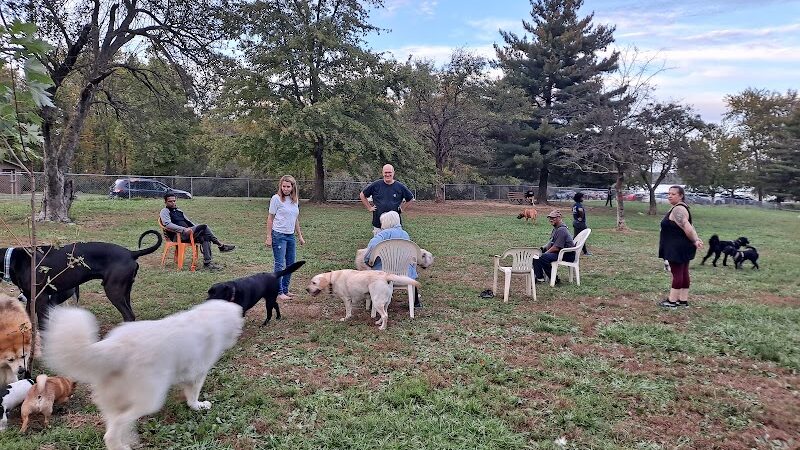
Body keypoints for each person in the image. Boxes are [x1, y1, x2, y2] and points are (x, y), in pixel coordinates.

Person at [160, 193, 235, 270]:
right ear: (165, 202)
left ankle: (207, 263)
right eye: (170, 201)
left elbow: (189, 222)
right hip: (178, 236)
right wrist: (183, 229)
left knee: (205, 237)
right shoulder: (165, 211)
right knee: (204, 227)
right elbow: (167, 224)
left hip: (189, 234)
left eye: (174, 201)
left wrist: (196, 229)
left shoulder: (179, 211)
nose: (173, 203)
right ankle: (221, 246)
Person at [363, 211, 422, 308]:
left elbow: (371, 248)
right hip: (404, 273)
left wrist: (368, 261)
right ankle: (416, 302)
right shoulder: (405, 235)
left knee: (370, 272)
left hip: (384, 273)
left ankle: (373, 302)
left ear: (385, 222)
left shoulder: (382, 235)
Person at [658, 185, 703, 308]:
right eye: (669, 193)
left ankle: (672, 301)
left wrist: (695, 240)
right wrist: (696, 239)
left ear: (681, 196)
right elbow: (690, 226)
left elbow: (687, 227)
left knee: (677, 273)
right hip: (682, 246)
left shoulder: (678, 209)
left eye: (673, 194)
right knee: (683, 272)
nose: (669, 196)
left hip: (677, 247)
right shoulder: (682, 208)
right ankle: (683, 301)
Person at [266, 175, 305, 301]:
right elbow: (270, 218)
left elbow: (295, 219)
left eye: (288, 186)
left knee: (291, 264)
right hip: (278, 235)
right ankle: (279, 291)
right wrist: (269, 236)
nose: (286, 189)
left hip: (290, 236)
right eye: (284, 186)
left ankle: (286, 289)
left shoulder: (295, 200)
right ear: (280, 186)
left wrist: (299, 236)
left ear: (293, 187)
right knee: (279, 264)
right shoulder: (276, 199)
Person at [359, 164, 414, 235]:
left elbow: (410, 198)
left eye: (389, 172)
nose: (387, 174)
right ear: (382, 173)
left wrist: (402, 208)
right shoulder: (376, 185)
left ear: (393, 173)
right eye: (385, 172)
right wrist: (369, 208)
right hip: (378, 224)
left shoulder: (400, 187)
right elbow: (362, 195)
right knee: (379, 245)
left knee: (395, 244)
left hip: (395, 225)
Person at [533, 210, 575, 284]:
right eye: (550, 218)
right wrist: (541, 249)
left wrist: (544, 253)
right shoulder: (556, 228)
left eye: (553, 218)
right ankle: (539, 277)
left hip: (567, 254)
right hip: (559, 252)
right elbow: (550, 242)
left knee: (543, 257)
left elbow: (556, 247)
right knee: (536, 255)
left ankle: (555, 279)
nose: (551, 220)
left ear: (559, 218)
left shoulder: (562, 230)